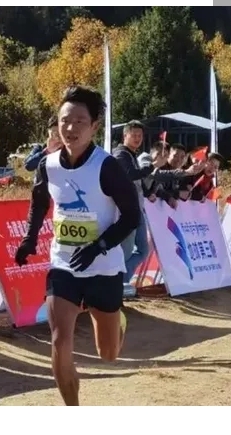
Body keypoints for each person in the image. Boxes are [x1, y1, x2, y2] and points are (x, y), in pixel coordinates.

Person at [14, 85, 140, 406]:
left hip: (104, 267)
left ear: (94, 126)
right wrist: (29, 239)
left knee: (108, 353)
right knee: (59, 340)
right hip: (64, 264)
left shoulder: (107, 166)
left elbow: (132, 216)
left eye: (80, 121)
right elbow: (39, 203)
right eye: (64, 120)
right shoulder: (48, 165)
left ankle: (118, 321)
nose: (70, 128)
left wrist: (98, 246)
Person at [112, 121, 155, 289]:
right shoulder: (120, 154)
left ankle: (121, 282)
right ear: (125, 135)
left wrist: (148, 193)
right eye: (134, 135)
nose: (137, 139)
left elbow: (138, 182)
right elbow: (130, 175)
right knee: (126, 251)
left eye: (140, 136)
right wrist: (153, 167)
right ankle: (117, 285)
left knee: (143, 250)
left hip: (138, 209)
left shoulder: (131, 154)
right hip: (126, 211)